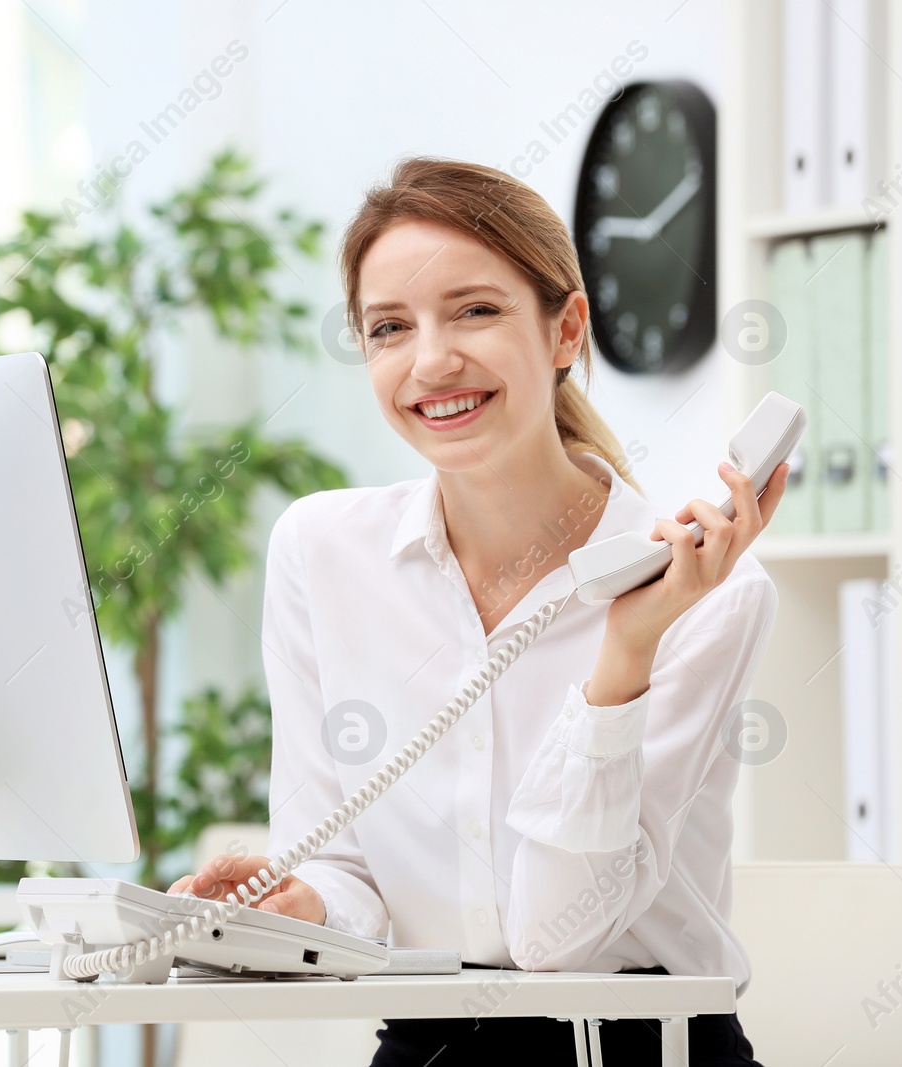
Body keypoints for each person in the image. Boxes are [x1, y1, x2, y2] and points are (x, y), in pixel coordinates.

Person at [169, 157, 787, 1065]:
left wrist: (624, 657)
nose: (431, 361)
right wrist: (302, 904)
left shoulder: (704, 593)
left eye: (475, 310)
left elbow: (554, 941)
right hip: (425, 1045)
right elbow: (342, 866)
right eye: (389, 327)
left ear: (566, 328)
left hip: (634, 1049)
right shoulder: (322, 553)